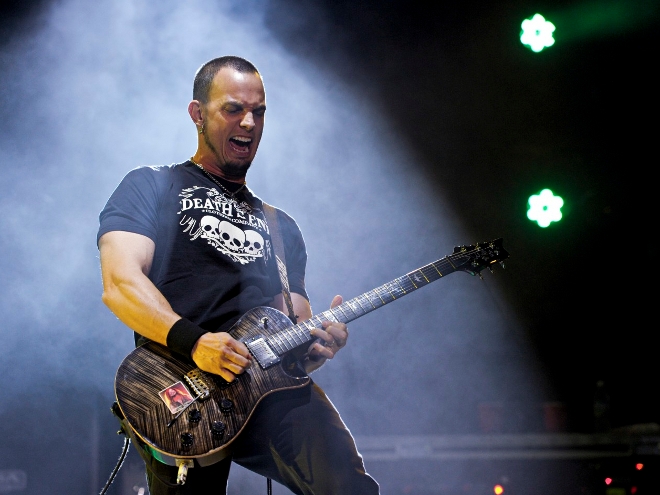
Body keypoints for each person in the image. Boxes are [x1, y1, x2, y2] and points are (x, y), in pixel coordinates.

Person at [97, 56, 380, 494]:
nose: (248, 122)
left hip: (265, 386)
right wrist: (195, 342)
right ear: (197, 114)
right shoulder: (150, 186)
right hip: (178, 388)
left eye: (259, 111)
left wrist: (318, 344)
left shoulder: (281, 226)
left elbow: (293, 322)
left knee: (347, 486)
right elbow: (120, 285)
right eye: (233, 109)